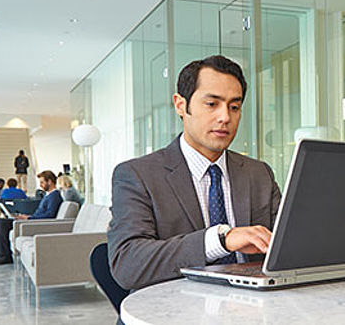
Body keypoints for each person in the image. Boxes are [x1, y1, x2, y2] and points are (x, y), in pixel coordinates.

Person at [108, 55, 282, 291]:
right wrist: (221, 240)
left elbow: (287, 244)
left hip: (253, 307)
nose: (225, 117)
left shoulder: (259, 173)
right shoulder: (137, 175)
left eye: (234, 106)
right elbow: (128, 265)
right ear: (181, 105)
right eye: (212, 104)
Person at [0, 170, 63, 265]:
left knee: (3, 223)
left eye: (42, 182)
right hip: (33, 220)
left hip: (35, 223)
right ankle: (1, 254)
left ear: (50, 182)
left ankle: (5, 256)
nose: (40, 185)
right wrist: (28, 216)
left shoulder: (54, 196)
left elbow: (49, 215)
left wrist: (29, 219)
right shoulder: (48, 195)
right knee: (0, 222)